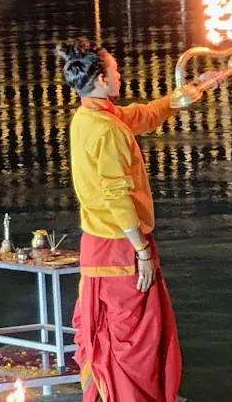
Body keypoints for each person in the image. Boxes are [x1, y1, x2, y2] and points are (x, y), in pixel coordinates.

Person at [57, 37, 206, 402]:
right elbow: (116, 196)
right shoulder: (105, 129)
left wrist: (178, 98)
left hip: (100, 244)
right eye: (115, 69)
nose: (120, 73)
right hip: (120, 247)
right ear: (102, 79)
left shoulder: (90, 114)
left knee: (121, 338)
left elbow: (139, 116)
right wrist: (141, 250)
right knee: (132, 342)